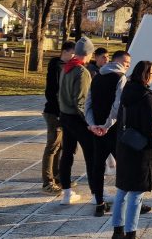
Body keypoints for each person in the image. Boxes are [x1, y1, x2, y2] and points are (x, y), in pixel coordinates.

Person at [111, 60, 152, 239]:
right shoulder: (147, 97)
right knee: (136, 194)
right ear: (145, 75)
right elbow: (150, 127)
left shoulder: (127, 90)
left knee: (122, 190)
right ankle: (131, 233)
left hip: (125, 146)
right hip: (140, 150)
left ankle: (118, 231)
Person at [86, 50, 129, 216]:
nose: (127, 67)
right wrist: (107, 125)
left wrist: (92, 125)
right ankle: (128, 200)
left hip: (97, 131)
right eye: (126, 64)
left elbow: (88, 104)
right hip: (112, 130)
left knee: (97, 166)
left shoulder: (97, 77)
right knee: (125, 166)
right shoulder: (121, 78)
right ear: (118, 62)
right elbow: (117, 106)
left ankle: (99, 203)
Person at [58, 36, 96, 205]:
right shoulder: (82, 72)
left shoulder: (66, 67)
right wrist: (90, 123)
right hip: (77, 119)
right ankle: (96, 194)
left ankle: (66, 193)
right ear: (87, 53)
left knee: (67, 154)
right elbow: (81, 102)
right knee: (91, 156)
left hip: (65, 116)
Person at [41, 40, 75, 194]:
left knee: (60, 146)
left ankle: (57, 176)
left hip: (63, 112)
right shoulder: (56, 66)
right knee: (52, 146)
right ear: (66, 51)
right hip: (54, 112)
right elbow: (52, 92)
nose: (75, 57)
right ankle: (47, 183)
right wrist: (60, 110)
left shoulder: (65, 67)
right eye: (73, 53)